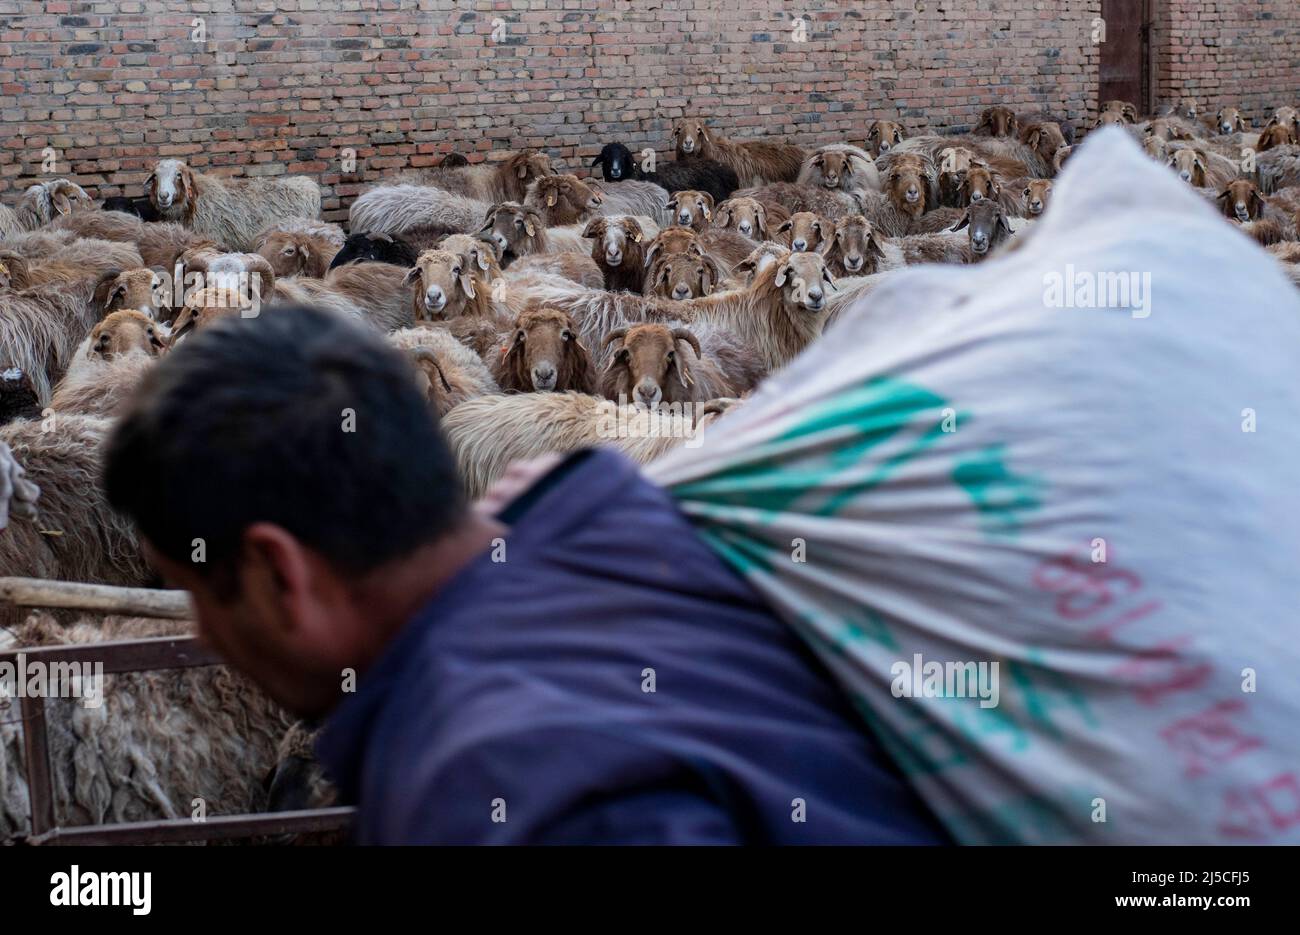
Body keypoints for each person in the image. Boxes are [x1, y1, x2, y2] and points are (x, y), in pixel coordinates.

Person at [104, 306, 948, 844]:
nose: (203, 631)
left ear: (281, 576)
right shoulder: (619, 516)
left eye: (197, 588)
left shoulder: (494, 786)